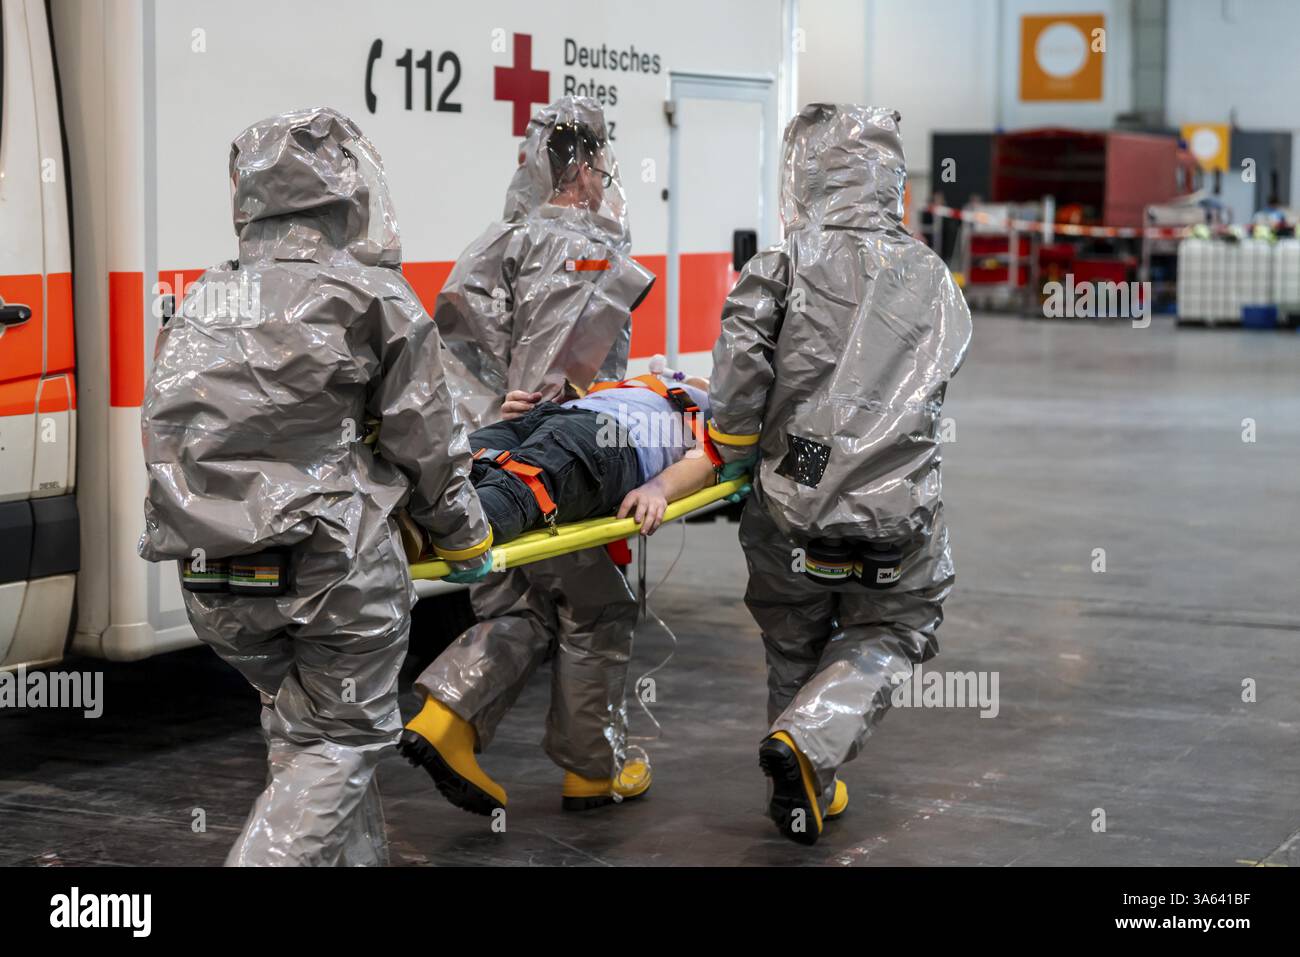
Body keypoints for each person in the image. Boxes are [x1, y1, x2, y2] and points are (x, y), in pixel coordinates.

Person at [138, 108, 492, 866]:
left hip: (213, 576)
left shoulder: (203, 299)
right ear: (348, 193)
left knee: (306, 732)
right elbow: (426, 438)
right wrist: (467, 538)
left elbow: (171, 434)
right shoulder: (371, 296)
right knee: (342, 735)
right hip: (328, 564)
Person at [707, 104, 972, 845]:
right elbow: (937, 374)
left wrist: (731, 447)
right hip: (896, 514)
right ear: (892, 181)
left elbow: (736, 379)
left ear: (807, 177)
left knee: (793, 637)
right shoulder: (931, 275)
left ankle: (800, 784)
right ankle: (809, 748)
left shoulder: (782, 263)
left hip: (792, 495)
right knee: (899, 621)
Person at [402, 97, 658, 813]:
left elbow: (451, 356)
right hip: (562, 463)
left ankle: (444, 717)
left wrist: (491, 423)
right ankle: (592, 770)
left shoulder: (496, 241)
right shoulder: (592, 250)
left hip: (489, 459)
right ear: (579, 169)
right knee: (595, 609)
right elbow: (573, 376)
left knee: (515, 608)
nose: (607, 179)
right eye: (602, 163)